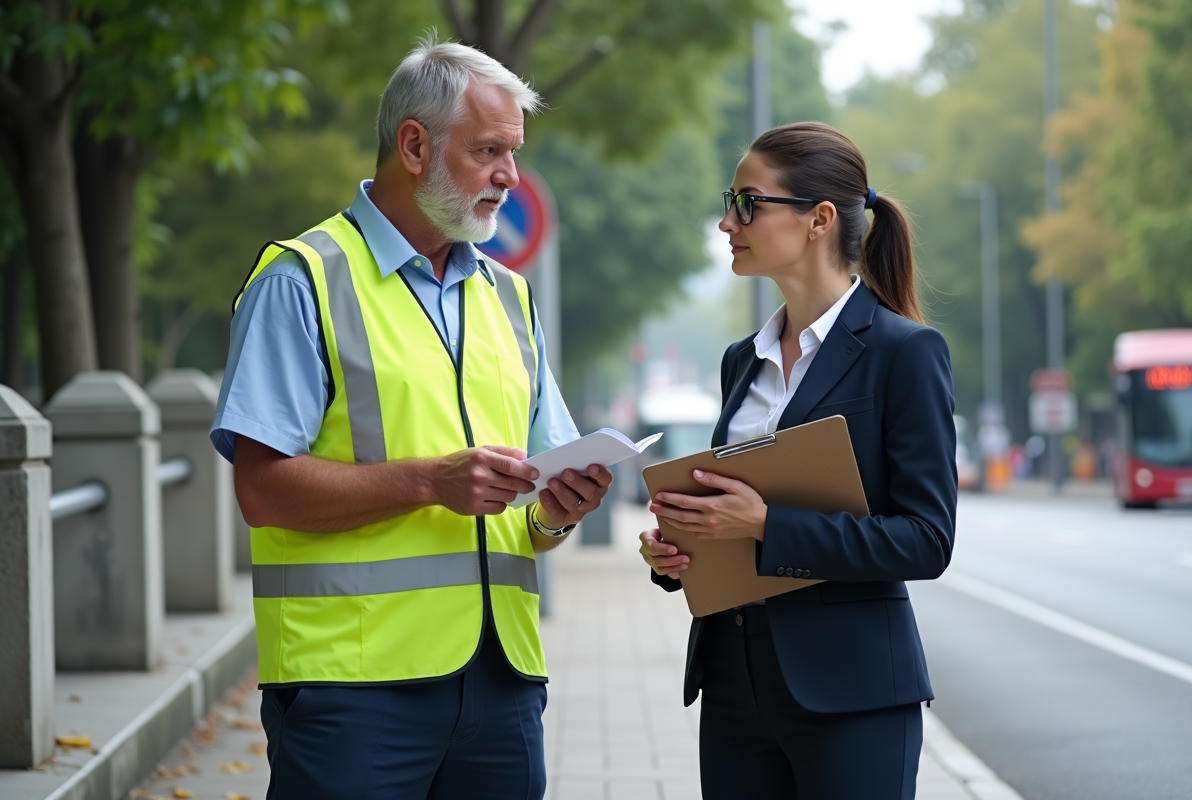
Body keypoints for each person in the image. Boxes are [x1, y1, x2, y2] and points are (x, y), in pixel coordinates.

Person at [210, 37, 611, 800]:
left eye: (514, 153)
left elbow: (532, 507)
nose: (509, 177)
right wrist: (431, 481)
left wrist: (561, 511)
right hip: (353, 690)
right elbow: (263, 492)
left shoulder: (510, 297)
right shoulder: (302, 280)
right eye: (489, 150)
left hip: (502, 685)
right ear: (415, 144)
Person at [639, 121, 956, 800]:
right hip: (732, 687)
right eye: (731, 202)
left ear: (817, 220)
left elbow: (927, 540)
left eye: (749, 202)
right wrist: (682, 549)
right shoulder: (740, 362)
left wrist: (764, 524)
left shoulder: (905, 353)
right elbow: (737, 517)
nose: (729, 222)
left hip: (853, 696)